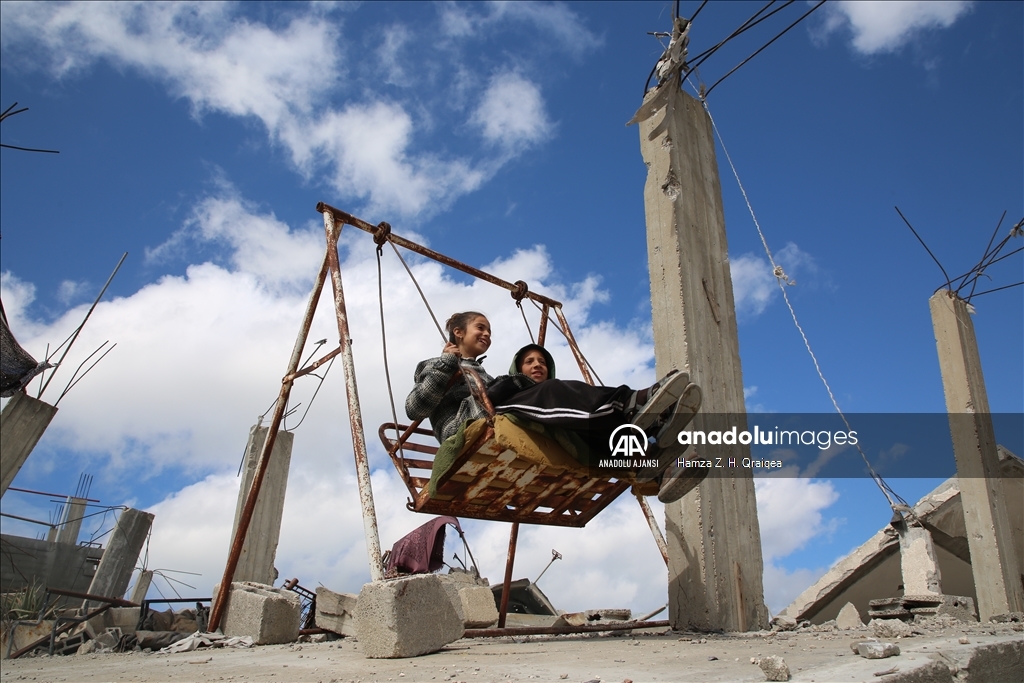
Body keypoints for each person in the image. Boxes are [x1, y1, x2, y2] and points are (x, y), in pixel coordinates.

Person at [406, 312, 693, 449]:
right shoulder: (434, 364)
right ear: (458, 332)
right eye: (480, 328)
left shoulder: (483, 375)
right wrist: (446, 364)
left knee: (555, 407)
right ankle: (631, 403)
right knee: (542, 390)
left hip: (487, 412)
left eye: (490, 331)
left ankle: (646, 438)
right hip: (464, 426)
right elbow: (414, 409)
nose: (487, 335)